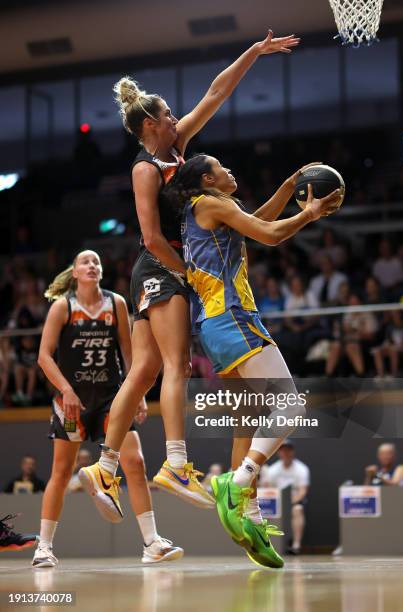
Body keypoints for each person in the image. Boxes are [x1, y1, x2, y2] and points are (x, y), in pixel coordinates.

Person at [80, 30, 302, 516]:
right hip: (160, 264)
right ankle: (176, 463)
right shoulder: (143, 169)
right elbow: (152, 237)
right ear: (149, 125)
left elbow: (216, 92)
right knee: (175, 366)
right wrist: (191, 274)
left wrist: (255, 52)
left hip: (166, 270)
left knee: (144, 371)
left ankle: (103, 466)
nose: (177, 118)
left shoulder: (178, 146)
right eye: (167, 115)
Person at [167, 153, 341, 568]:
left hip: (212, 325)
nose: (231, 169)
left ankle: (246, 515)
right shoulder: (212, 204)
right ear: (208, 178)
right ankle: (239, 479)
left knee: (247, 417)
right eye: (222, 166)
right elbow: (270, 234)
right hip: (232, 318)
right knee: (292, 403)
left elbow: (255, 223)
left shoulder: (208, 209)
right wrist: (310, 214)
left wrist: (288, 186)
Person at [32, 250, 182, 568]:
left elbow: (131, 353)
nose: (92, 265)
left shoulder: (116, 303)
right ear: (74, 272)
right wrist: (66, 390)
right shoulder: (63, 307)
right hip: (71, 401)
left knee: (136, 464)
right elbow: (44, 357)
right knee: (60, 472)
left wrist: (137, 390)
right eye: (85, 262)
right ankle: (43, 547)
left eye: (97, 262)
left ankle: (152, 542)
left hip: (111, 399)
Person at [261, 439, 310, 554]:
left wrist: (290, 503)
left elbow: (303, 491)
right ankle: (266, 544)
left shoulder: (301, 469)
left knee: (298, 509)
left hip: (294, 502)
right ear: (279, 452)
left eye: (288, 450)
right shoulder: (273, 470)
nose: (286, 453)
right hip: (276, 503)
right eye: (283, 450)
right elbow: (268, 489)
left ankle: (296, 545)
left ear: (292, 452)